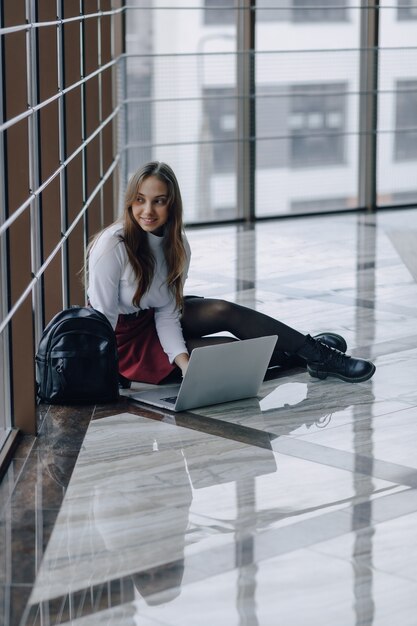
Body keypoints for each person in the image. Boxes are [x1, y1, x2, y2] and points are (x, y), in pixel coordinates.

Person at [87, 161, 376, 386]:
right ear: (130, 201)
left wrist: (182, 358)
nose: (147, 210)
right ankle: (299, 355)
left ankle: (319, 355)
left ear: (172, 203)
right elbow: (103, 319)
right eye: (140, 200)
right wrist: (108, 372)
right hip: (121, 341)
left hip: (156, 320)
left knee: (222, 310)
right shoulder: (112, 245)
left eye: (158, 201)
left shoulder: (177, 245)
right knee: (228, 350)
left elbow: (167, 313)